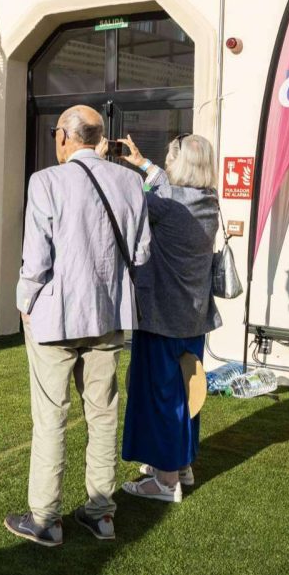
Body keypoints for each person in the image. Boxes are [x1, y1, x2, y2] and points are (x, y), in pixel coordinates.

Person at [4, 105, 151, 547]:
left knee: (51, 416)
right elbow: (142, 253)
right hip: (108, 314)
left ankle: (45, 519)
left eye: (57, 132)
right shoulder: (130, 182)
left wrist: (24, 302)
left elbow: (36, 258)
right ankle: (101, 514)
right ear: (99, 138)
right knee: (103, 414)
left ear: (65, 137)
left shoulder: (46, 181)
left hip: (56, 316)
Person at [115, 134, 221, 503]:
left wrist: (97, 159)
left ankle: (165, 480)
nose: (167, 163)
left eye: (170, 158)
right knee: (188, 392)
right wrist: (143, 163)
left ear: (181, 163)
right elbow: (165, 185)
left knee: (161, 397)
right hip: (194, 318)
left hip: (162, 317)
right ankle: (182, 463)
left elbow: (127, 199)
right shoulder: (209, 201)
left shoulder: (166, 204)